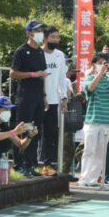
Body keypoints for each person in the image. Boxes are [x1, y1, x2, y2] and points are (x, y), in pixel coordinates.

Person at [78, 53, 109, 187]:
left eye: (105, 63)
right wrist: (99, 73)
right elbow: (90, 89)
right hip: (92, 121)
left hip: (106, 122)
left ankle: (93, 179)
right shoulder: (89, 78)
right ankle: (84, 179)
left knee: (100, 152)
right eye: (100, 63)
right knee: (89, 150)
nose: (103, 65)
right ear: (94, 65)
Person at [10, 19, 48, 178]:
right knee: (23, 129)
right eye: (37, 30)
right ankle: (19, 164)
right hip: (25, 97)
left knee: (35, 131)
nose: (40, 33)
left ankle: (30, 164)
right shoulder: (21, 50)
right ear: (29, 33)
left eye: (41, 30)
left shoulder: (40, 51)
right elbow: (12, 73)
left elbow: (43, 75)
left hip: (39, 97)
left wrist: (44, 96)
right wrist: (32, 74)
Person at [40, 25, 67, 175]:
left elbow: (62, 78)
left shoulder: (60, 55)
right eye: (52, 37)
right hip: (39, 100)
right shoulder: (39, 53)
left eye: (57, 37)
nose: (55, 40)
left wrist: (64, 97)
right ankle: (28, 164)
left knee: (51, 133)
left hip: (54, 100)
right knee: (34, 132)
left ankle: (47, 164)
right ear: (44, 38)